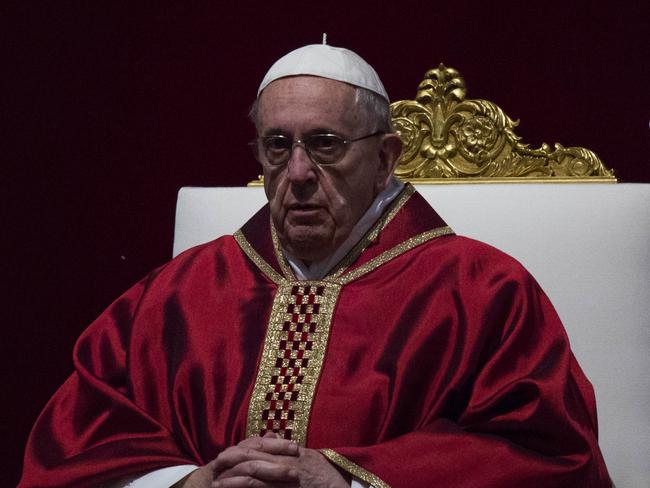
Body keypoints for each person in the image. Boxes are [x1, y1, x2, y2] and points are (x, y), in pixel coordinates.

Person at [19, 43, 612, 487]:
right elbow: (76, 443)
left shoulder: (483, 290)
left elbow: (552, 454)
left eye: (325, 143)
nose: (298, 173)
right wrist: (185, 482)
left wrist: (348, 480)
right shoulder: (178, 293)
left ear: (385, 158)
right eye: (277, 145)